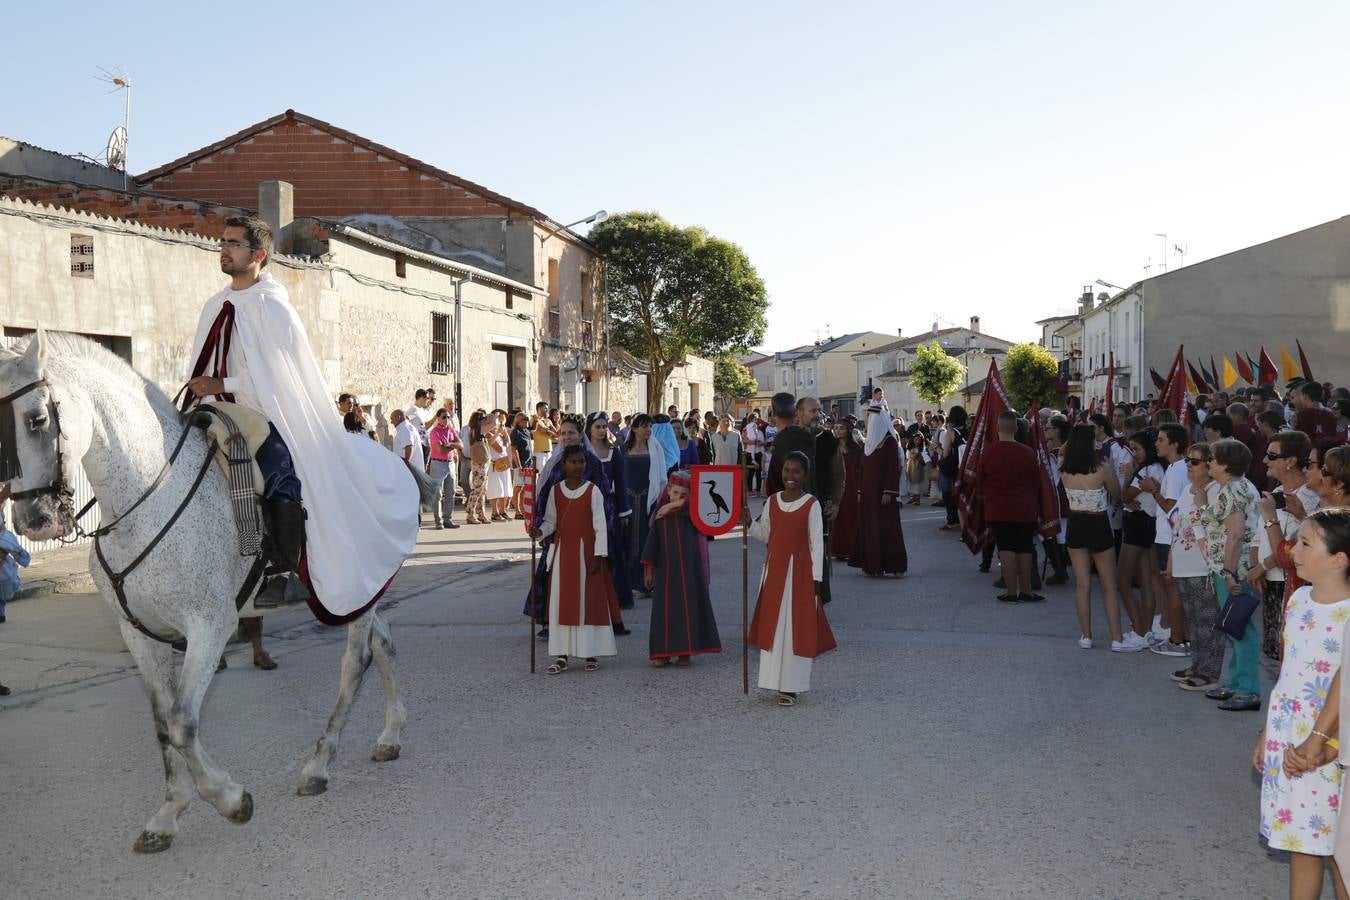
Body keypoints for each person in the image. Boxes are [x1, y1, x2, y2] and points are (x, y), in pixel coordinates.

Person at [184, 216, 420, 618]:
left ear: (258, 255)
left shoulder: (272, 307)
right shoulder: (215, 303)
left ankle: (282, 570)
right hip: (216, 408)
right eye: (222, 242)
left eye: (234, 244)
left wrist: (220, 383)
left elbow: (277, 378)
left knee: (279, 471)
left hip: (263, 412)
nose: (224, 249)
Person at [1253, 509, 1350, 899]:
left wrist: (1330, 745)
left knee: (1341, 853)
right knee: (1302, 841)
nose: (1294, 550)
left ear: (1339, 559)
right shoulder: (1299, 600)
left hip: (1331, 744)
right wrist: (1267, 732)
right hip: (1289, 737)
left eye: (1306, 544)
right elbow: (1288, 674)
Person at [748, 451, 836, 706]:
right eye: (787, 470)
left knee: (796, 628)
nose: (790, 476)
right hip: (774, 572)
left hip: (799, 574)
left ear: (805, 475)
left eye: (796, 471)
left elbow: (816, 543)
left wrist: (816, 579)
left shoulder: (811, 504)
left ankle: (792, 687)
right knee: (773, 627)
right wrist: (749, 525)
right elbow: (767, 534)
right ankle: (773, 680)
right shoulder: (773, 501)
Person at [530, 445, 618, 674]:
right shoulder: (555, 491)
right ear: (564, 464)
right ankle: (562, 654)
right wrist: (539, 532)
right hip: (563, 555)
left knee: (588, 603)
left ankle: (590, 652)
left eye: (581, 462)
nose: (578, 466)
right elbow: (551, 521)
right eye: (573, 462)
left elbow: (600, 525)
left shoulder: (593, 491)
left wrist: (600, 555)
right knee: (563, 602)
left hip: (588, 553)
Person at [1201, 438, 1263, 712]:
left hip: (1233, 569)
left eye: (1212, 459)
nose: (1208, 463)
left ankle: (1248, 689)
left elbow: (1235, 534)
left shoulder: (1231, 492)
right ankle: (1235, 681)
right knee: (1234, 627)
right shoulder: (1242, 486)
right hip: (1235, 567)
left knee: (1241, 629)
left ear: (1225, 465)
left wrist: (1228, 572)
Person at [1249, 431, 1320, 661]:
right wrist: (1255, 569)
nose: (1264, 460)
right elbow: (1258, 538)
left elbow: (1292, 545)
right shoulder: (1277, 493)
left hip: (1294, 583)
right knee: (1273, 649)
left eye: (1272, 455)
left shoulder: (1310, 498)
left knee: (1291, 653)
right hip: (1270, 581)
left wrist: (1263, 566)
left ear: (1291, 461)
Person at [642, 470, 722, 667]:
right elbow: (652, 546)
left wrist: (676, 504)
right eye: (674, 493)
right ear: (668, 491)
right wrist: (649, 570)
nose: (678, 497)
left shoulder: (693, 516)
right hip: (666, 574)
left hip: (689, 573)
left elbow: (694, 506)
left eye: (683, 494)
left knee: (688, 610)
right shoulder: (660, 518)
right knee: (664, 613)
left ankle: (685, 651)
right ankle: (662, 653)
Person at [1060, 424, 1127, 649]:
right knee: (1109, 585)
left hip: (1076, 523)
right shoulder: (1102, 468)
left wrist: (1071, 442)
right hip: (1098, 523)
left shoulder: (1064, 468)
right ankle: (1117, 638)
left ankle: (1086, 636)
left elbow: (1062, 451)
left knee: (1082, 584)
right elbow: (1117, 494)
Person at [978, 412, 1042, 602]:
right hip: (1025, 507)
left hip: (998, 507)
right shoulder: (1028, 452)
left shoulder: (989, 452)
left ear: (997, 428)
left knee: (1005, 547)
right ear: (1016, 428)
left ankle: (1011, 591)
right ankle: (1026, 590)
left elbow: (980, 480)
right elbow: (1036, 480)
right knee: (1024, 548)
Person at [1139, 424, 1190, 656]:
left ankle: (1177, 640)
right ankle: (1181, 637)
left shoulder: (1177, 470)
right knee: (1174, 588)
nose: (1156, 444)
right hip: (1172, 536)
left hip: (1170, 537)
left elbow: (1172, 507)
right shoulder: (1178, 469)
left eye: (1161, 439)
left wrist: (1152, 490)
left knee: (1173, 588)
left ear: (1175, 444)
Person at [584, 412, 635, 610]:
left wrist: (623, 512)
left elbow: (621, 485)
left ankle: (616, 595)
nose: (602, 430)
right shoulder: (582, 454)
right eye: (597, 426)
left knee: (612, 550)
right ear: (589, 428)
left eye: (604, 426)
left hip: (608, 508)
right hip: (585, 506)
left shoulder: (615, 453)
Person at [849, 407, 907, 576]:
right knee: (870, 528)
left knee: (888, 528)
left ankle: (895, 566)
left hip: (883, 494)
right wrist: (859, 491)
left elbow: (893, 469)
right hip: (868, 493)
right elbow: (861, 468)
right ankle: (873, 566)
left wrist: (889, 491)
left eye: (870, 417)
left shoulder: (889, 441)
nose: (867, 420)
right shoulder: (868, 443)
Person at [1117, 430, 1163, 643]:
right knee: (1145, 580)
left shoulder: (1146, 471)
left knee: (1122, 580)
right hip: (1145, 524)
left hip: (1138, 525)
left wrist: (1129, 475)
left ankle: (1138, 629)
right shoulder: (1154, 468)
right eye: (1132, 449)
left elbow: (1124, 494)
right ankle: (1145, 630)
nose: (1134, 454)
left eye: (1137, 449)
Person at [622, 414, 666, 596]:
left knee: (649, 542)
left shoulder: (655, 448)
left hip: (650, 501)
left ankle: (648, 583)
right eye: (644, 426)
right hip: (628, 502)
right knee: (629, 543)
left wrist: (659, 503)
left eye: (650, 426)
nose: (648, 429)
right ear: (634, 428)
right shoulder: (623, 449)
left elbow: (662, 478)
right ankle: (631, 584)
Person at [829, 420, 862, 561]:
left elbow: (860, 470)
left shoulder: (856, 449)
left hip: (852, 487)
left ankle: (851, 549)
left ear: (848, 431)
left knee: (851, 517)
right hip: (835, 486)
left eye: (841, 428)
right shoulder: (830, 447)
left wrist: (860, 489)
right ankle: (837, 549)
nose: (838, 431)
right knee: (837, 517)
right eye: (836, 428)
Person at [426, 407, 461, 529]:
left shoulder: (451, 429)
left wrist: (450, 444)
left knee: (451, 493)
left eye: (448, 417)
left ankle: (448, 519)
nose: (446, 419)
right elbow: (439, 449)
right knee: (438, 494)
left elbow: (460, 444)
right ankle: (438, 521)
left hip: (450, 462)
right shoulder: (434, 432)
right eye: (444, 417)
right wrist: (453, 446)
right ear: (438, 418)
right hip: (438, 463)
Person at [486, 410, 512, 521]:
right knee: (496, 488)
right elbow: (499, 448)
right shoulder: (489, 434)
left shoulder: (499, 434)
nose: (498, 425)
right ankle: (494, 512)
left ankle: (503, 510)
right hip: (495, 465)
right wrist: (499, 433)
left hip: (503, 463)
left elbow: (508, 442)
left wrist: (504, 431)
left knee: (505, 487)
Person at [465, 410, 490, 525]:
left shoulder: (474, 431)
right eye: (482, 419)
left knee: (482, 489)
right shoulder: (478, 430)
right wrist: (491, 417)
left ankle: (481, 513)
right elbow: (494, 421)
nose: (485, 421)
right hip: (479, 464)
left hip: (480, 463)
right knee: (477, 489)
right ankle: (470, 513)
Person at [509, 412, 532, 519]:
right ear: (518, 421)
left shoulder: (527, 431)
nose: (526, 421)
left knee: (524, 488)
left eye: (527, 419)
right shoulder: (516, 432)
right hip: (520, 464)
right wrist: (519, 466)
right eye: (524, 419)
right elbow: (514, 450)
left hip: (528, 463)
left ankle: (523, 510)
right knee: (518, 487)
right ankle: (517, 511)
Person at [404, 388, 433, 467]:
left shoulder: (421, 410)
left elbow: (423, 427)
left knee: (424, 468)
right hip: (418, 444)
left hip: (424, 444)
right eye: (427, 398)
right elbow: (406, 422)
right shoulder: (413, 410)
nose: (428, 400)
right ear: (421, 398)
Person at [530, 401, 557, 473]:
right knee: (540, 474)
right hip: (539, 453)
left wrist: (548, 431)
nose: (547, 410)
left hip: (549, 451)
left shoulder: (548, 420)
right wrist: (549, 431)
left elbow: (556, 434)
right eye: (545, 408)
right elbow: (541, 430)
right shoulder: (534, 420)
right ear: (539, 408)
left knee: (549, 473)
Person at [743, 413, 765, 495]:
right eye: (754, 418)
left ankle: (758, 490)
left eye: (757, 419)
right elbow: (744, 440)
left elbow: (763, 442)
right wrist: (753, 442)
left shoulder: (760, 432)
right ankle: (750, 491)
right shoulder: (746, 429)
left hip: (759, 453)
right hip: (749, 453)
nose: (755, 420)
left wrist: (761, 443)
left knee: (758, 472)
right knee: (751, 472)